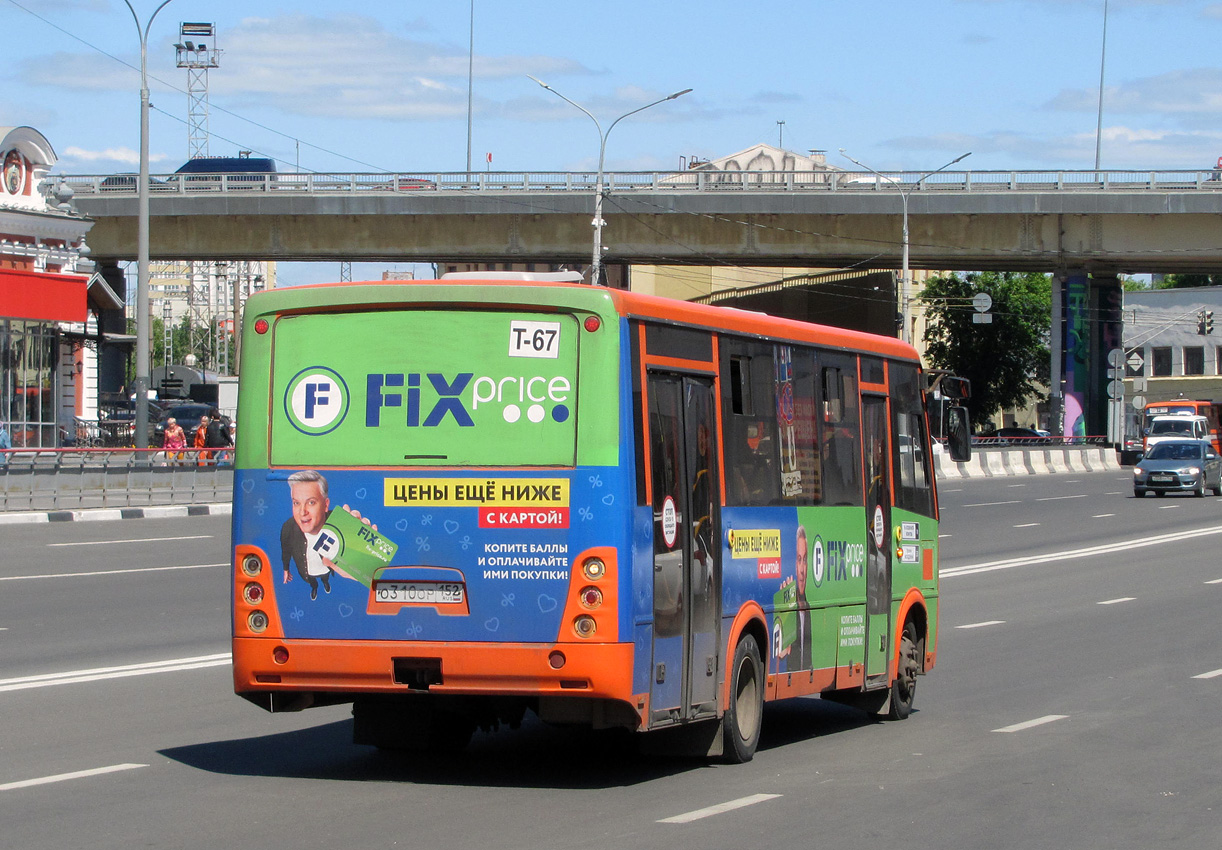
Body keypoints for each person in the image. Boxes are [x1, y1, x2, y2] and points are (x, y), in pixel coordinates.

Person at [281, 470, 336, 601]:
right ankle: (314, 587)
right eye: (296, 503)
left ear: (325, 505)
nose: (302, 512)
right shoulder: (288, 528)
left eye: (311, 502)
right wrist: (286, 569)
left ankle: (326, 583)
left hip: (325, 569)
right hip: (307, 572)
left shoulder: (338, 521)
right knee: (312, 581)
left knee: (325, 576)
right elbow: (286, 550)